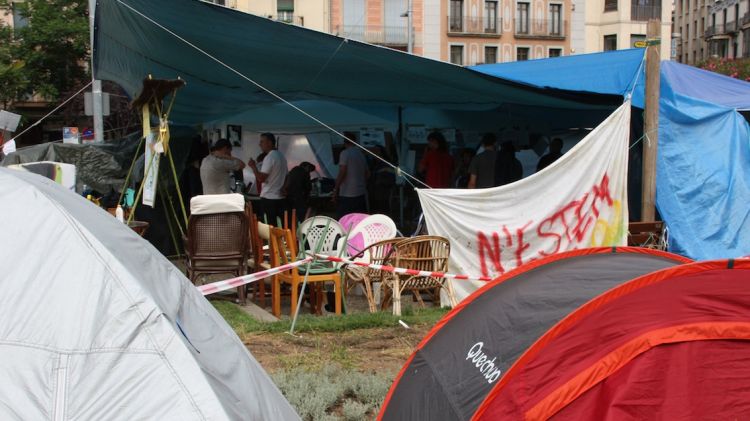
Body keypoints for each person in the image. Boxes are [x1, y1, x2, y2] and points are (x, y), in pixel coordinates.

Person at [248, 133, 288, 226]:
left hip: (269, 198)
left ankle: (270, 241)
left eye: (262, 141)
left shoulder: (270, 157)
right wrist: (283, 188)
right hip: (280, 198)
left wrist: (253, 166)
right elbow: (286, 176)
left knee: (269, 228)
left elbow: (261, 178)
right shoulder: (281, 156)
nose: (260, 144)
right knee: (279, 227)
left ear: (269, 143)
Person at [333, 132, 369, 218]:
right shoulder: (361, 154)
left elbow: (343, 172)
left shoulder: (345, 153)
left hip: (348, 193)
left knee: (344, 219)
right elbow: (367, 173)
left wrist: (336, 188)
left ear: (345, 142)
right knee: (359, 219)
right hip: (360, 192)